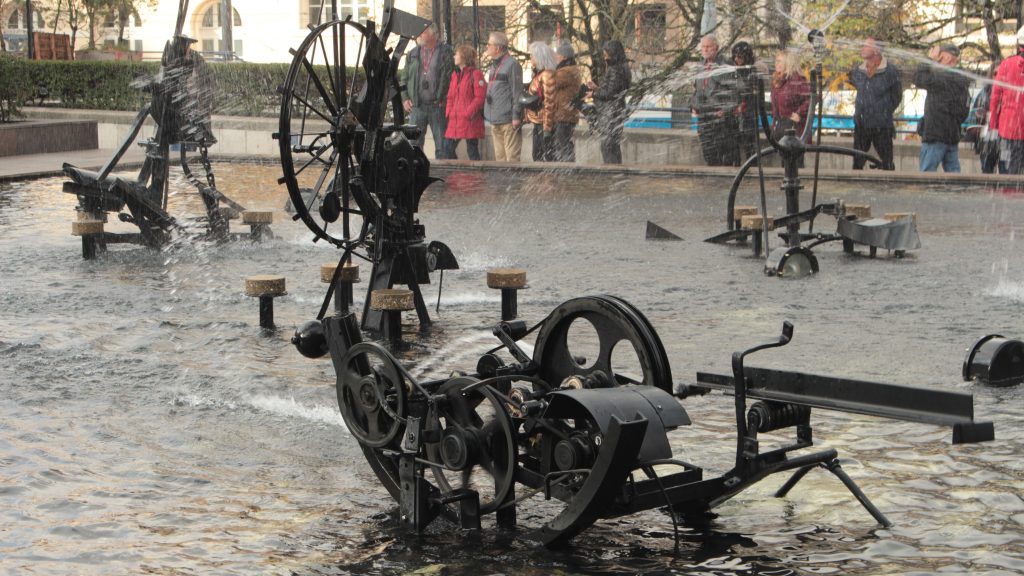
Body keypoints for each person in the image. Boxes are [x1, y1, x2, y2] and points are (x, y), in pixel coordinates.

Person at [912, 44, 970, 173]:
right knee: (954, 176)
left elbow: (918, 79)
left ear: (947, 57)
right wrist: (953, 122)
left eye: (938, 55)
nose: (936, 58)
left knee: (927, 173)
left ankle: (928, 194)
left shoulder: (942, 77)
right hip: (952, 135)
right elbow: (964, 111)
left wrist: (929, 59)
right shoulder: (960, 79)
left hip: (935, 135)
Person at [847, 38, 902, 170]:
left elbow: (897, 96)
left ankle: (888, 186)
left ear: (877, 50)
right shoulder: (857, 70)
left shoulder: (890, 71)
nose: (862, 48)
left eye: (866, 46)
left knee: (887, 161)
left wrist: (884, 110)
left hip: (882, 124)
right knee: (857, 162)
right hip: (862, 123)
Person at [402, 25, 454, 159]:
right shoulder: (413, 53)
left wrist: (445, 97)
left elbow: (450, 78)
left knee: (442, 145)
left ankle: (444, 176)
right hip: (417, 106)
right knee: (414, 144)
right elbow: (404, 78)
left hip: (438, 105)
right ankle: (416, 173)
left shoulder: (445, 52)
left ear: (433, 35)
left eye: (423, 32)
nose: (419, 35)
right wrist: (405, 98)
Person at [690, 35, 740, 166]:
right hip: (704, 116)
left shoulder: (725, 65)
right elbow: (696, 90)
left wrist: (725, 110)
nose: (705, 49)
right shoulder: (700, 66)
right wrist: (694, 105)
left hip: (720, 118)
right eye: (703, 47)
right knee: (708, 153)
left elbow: (735, 92)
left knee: (723, 154)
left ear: (716, 48)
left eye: (708, 47)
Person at [586, 40, 632, 164]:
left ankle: (612, 173)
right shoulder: (622, 67)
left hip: (611, 113)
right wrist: (597, 88)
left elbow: (609, 94)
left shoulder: (615, 69)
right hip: (616, 111)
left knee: (608, 146)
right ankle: (615, 174)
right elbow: (614, 90)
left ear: (612, 52)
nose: (604, 55)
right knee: (612, 145)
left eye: (606, 52)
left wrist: (594, 94)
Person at [483, 31, 524, 162]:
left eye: (489, 44)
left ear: (498, 47)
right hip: (495, 119)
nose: (486, 47)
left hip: (508, 120)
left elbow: (517, 92)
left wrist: (516, 116)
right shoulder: (494, 65)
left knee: (511, 159)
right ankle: (501, 183)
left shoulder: (512, 64)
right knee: (500, 159)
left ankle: (513, 183)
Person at [990, 26, 1024, 174]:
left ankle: (1009, 193)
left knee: (1009, 170)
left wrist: (994, 124)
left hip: (1010, 128)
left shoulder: (1007, 65)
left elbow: (995, 97)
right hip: (1012, 127)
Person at [444, 45, 487, 160]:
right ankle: (456, 173)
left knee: (472, 150)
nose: (454, 57)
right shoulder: (455, 75)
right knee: (448, 148)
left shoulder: (476, 74)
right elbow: (450, 96)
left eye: (456, 54)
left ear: (463, 57)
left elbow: (480, 97)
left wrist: (467, 113)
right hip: (456, 119)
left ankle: (476, 176)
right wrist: (449, 112)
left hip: (469, 119)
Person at [545, 40, 582, 162]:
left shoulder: (566, 72)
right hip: (566, 113)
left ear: (564, 57)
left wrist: (547, 69)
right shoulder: (569, 70)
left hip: (564, 114)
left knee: (563, 142)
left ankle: (567, 167)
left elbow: (550, 82)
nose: (555, 58)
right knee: (562, 141)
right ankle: (566, 165)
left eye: (557, 55)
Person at [525, 42, 558, 162]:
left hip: (544, 123)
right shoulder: (539, 74)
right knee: (537, 156)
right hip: (538, 121)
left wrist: (547, 129)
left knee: (544, 157)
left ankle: (547, 180)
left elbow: (550, 103)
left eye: (532, 56)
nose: (530, 59)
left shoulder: (546, 75)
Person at [770, 50, 810, 141]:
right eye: (776, 61)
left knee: (792, 153)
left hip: (794, 130)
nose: (776, 63)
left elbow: (809, 100)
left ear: (788, 63)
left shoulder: (796, 80)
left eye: (779, 61)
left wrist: (799, 114)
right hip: (780, 128)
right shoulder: (776, 80)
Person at [731, 41, 761, 162]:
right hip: (737, 117)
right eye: (735, 56)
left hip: (748, 118)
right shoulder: (735, 72)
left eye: (740, 56)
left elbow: (755, 98)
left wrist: (743, 106)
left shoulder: (752, 73)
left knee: (750, 149)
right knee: (735, 151)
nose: (737, 59)